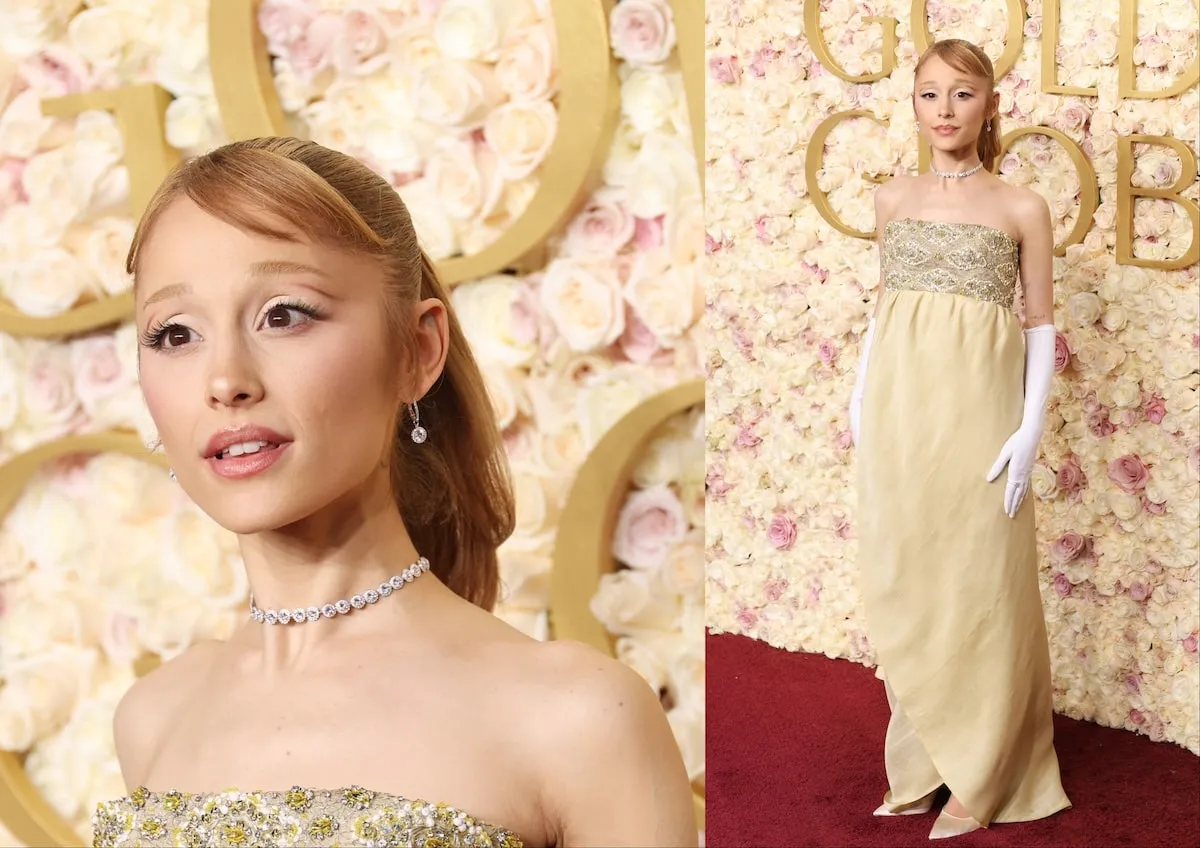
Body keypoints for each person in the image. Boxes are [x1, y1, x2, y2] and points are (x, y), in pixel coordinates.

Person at [91, 137, 697, 848]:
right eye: (174, 333)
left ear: (417, 351)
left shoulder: (579, 718)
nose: (225, 379)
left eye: (284, 314)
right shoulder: (153, 718)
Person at [847, 39, 1072, 840]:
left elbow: (1041, 325)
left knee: (980, 581)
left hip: (981, 412)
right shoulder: (891, 202)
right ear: (913, 105)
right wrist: (861, 393)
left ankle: (986, 772)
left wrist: (1029, 430)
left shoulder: (1021, 207)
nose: (944, 111)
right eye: (929, 94)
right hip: (901, 409)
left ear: (988, 104)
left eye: (962, 94)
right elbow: (887, 311)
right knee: (910, 570)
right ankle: (921, 762)